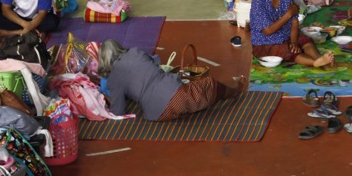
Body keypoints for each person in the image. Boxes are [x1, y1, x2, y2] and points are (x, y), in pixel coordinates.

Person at [98, 40, 246, 122]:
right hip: (175, 93)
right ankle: (235, 89)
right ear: (119, 48)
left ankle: (187, 109)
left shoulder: (113, 80)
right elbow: (155, 65)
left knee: (188, 100)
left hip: (157, 113)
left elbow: (118, 112)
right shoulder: (135, 52)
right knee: (210, 85)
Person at [250, 0, 333, 67]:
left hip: (285, 35)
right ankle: (315, 63)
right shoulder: (258, 0)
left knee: (304, 40)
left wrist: (293, 41)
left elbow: (294, 21)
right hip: (264, 42)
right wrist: (288, 14)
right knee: (285, 50)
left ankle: (320, 58)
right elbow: (267, 31)